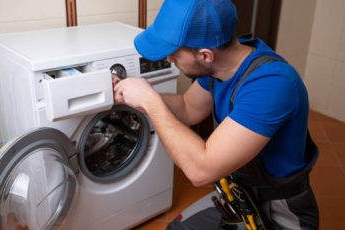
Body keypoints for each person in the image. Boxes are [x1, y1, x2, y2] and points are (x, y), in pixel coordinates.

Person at [113, 0, 319, 229]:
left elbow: (200, 171)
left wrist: (150, 102)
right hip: (238, 194)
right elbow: (187, 108)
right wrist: (136, 95)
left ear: (205, 55)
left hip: (279, 209)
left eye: (175, 54)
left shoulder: (272, 85)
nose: (170, 59)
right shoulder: (219, 66)